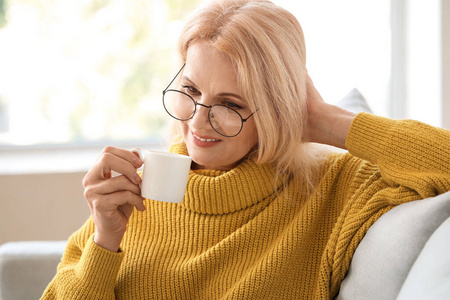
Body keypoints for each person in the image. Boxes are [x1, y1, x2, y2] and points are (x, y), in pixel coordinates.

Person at [41, 0, 450, 299]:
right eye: (191, 90)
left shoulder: (333, 190)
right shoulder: (136, 197)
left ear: (275, 109)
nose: (199, 122)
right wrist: (104, 241)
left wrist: (323, 120)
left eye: (231, 105)